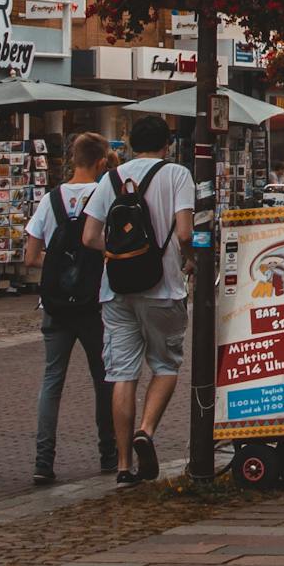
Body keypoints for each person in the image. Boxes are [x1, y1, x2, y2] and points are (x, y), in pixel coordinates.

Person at [83, 121, 199, 486]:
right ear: (168, 143)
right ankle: (145, 432)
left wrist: (120, 252)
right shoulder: (178, 174)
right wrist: (189, 258)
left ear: (131, 143)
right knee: (165, 364)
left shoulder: (112, 178)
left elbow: (89, 236)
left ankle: (121, 465)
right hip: (162, 286)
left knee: (121, 373)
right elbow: (184, 232)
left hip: (116, 288)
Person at [17, 132, 117, 486]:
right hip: (95, 303)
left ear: (73, 159)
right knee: (103, 379)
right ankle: (109, 453)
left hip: (56, 305)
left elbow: (30, 258)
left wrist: (61, 262)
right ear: (101, 162)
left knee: (51, 381)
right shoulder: (106, 195)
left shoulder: (50, 200)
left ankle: (43, 462)